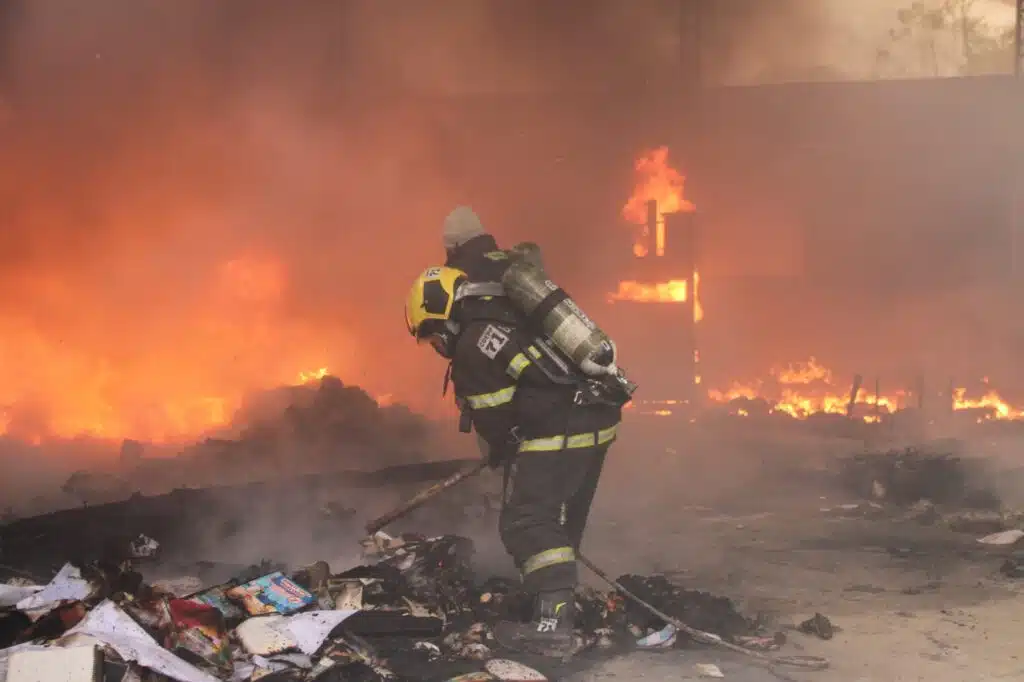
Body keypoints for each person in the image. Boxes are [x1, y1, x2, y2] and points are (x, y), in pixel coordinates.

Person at [404, 260, 622, 658]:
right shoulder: (506, 312)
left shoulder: (471, 346)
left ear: (442, 316)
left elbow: (495, 421)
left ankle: (553, 625)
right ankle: (556, 597)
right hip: (597, 417)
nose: (436, 347)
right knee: (557, 520)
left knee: (526, 522)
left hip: (559, 429)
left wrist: (502, 449)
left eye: (432, 336)